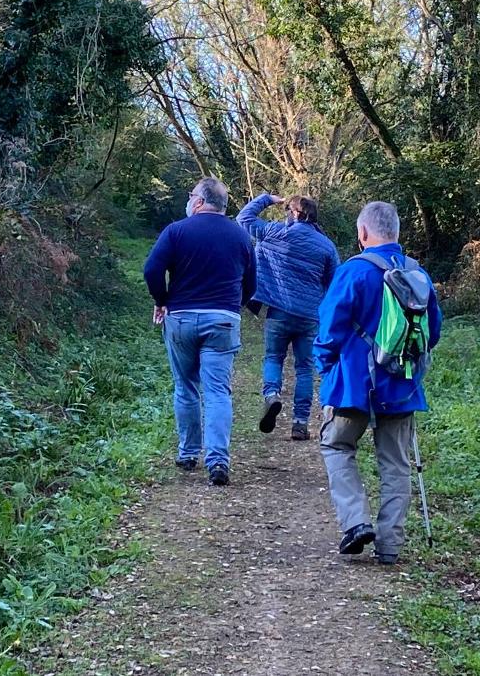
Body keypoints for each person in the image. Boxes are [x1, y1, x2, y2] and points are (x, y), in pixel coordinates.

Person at [314, 201, 442, 564]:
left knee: (337, 447)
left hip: (353, 385)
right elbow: (433, 332)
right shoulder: (418, 274)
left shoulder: (353, 271)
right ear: (397, 232)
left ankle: (356, 523)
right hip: (402, 387)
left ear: (363, 233)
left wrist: (327, 368)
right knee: (396, 465)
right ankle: (390, 545)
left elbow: (329, 328)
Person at [144, 178, 256, 486]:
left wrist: (162, 300)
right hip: (223, 320)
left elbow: (151, 270)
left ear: (199, 201)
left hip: (180, 317)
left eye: (191, 193)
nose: (189, 198)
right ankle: (218, 459)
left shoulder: (177, 231)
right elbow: (252, 285)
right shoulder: (242, 237)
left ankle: (188, 453)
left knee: (185, 386)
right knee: (218, 391)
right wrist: (233, 307)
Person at [236, 193, 340, 440]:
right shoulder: (326, 245)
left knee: (274, 357)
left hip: (279, 312)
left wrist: (267, 199)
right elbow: (334, 281)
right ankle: (300, 423)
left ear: (294, 213)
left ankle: (272, 395)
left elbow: (243, 218)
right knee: (305, 368)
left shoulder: (275, 232)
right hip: (309, 316)